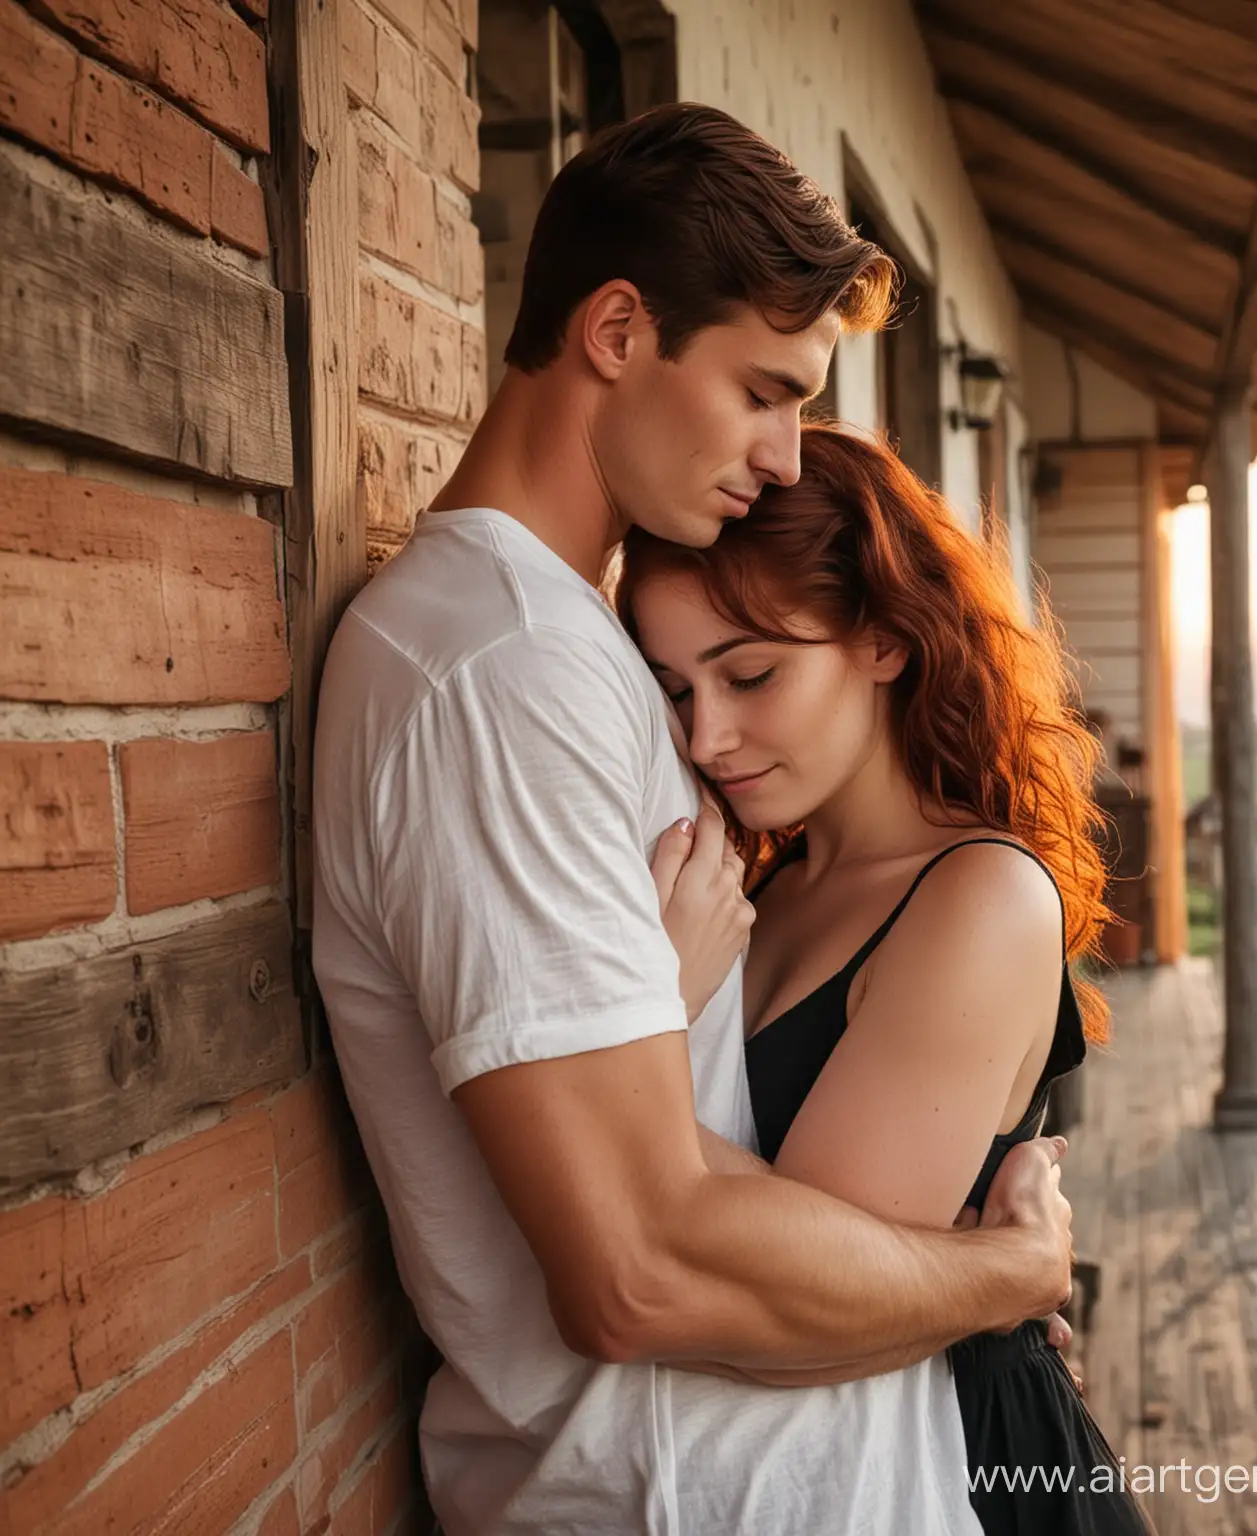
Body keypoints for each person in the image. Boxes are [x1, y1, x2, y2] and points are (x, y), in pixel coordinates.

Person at [312, 102, 1075, 1535]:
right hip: (689, 1495)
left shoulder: (562, 643)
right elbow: (635, 1271)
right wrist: (1010, 1276)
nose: (789, 456)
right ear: (615, 333)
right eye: (763, 391)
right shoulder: (498, 673)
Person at [619, 423, 1155, 1536]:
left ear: (886, 641)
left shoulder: (978, 899)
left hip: (968, 1473)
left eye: (751, 673)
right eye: (673, 690)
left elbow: (808, 1314)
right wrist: (995, 1262)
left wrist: (641, 1031)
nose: (708, 735)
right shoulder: (765, 883)